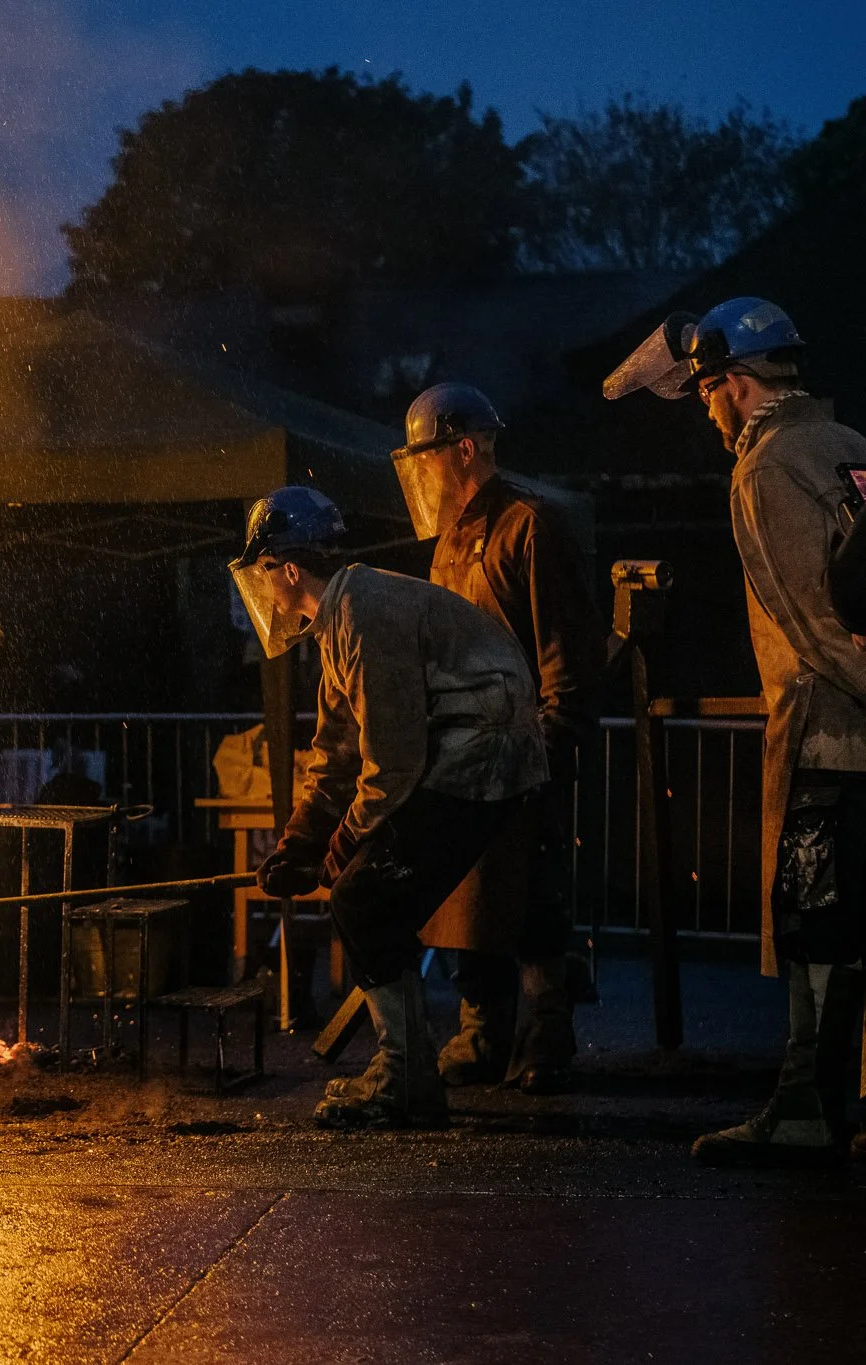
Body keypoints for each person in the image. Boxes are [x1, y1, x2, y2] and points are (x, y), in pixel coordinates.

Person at [608, 297, 866, 1166]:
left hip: (827, 739)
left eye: (709, 391)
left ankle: (804, 1108)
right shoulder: (848, 446)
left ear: (739, 383)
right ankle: (834, 1101)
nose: (707, 410)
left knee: (815, 921)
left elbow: (813, 624)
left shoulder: (765, 467)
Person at [233, 486, 547, 1128]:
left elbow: (393, 763)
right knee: (369, 895)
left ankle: (406, 1079)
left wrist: (341, 847)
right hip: (473, 747)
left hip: (484, 750)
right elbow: (336, 753)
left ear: (288, 568)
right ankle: (408, 1070)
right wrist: (300, 841)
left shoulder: (363, 613)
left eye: (264, 573)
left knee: (364, 896)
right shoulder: (340, 617)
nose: (263, 592)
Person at [392, 382, 605, 1093]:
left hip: (527, 750)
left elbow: (565, 656)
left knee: (536, 895)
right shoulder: (451, 542)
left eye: (427, 458)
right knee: (465, 893)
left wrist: (552, 743)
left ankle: (545, 1036)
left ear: (463, 449)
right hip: (464, 754)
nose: (420, 476)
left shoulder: (530, 527)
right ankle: (484, 1031)